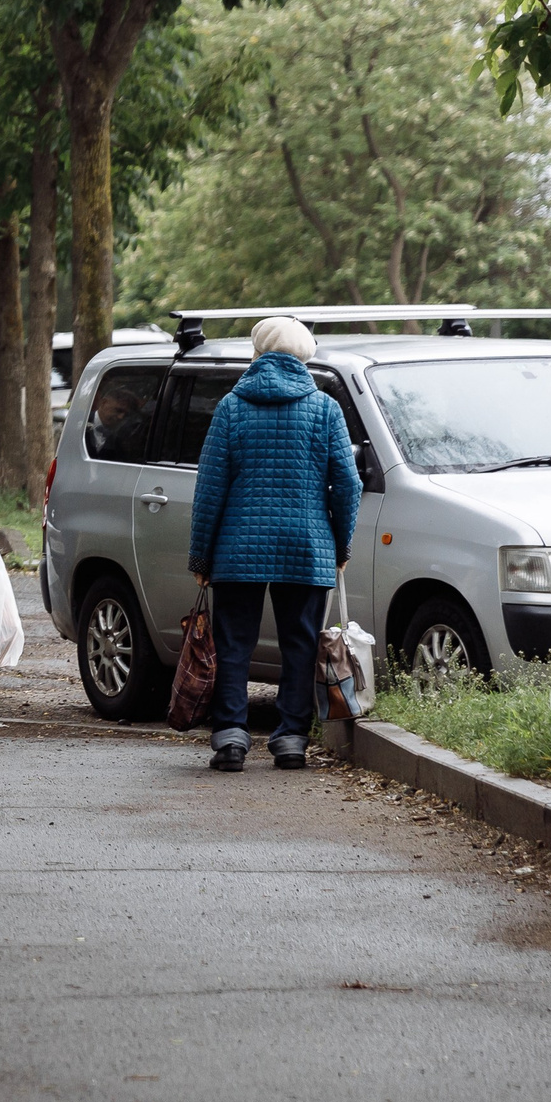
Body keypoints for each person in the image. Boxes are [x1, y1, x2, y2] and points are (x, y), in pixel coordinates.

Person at [187, 315, 362, 772]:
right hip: (307, 546)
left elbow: (210, 487)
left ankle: (230, 739)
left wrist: (202, 555)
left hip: (238, 549)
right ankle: (290, 740)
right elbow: (347, 485)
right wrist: (340, 546)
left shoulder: (231, 407)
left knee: (234, 644)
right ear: (305, 355)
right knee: (301, 644)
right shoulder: (325, 409)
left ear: (258, 352)